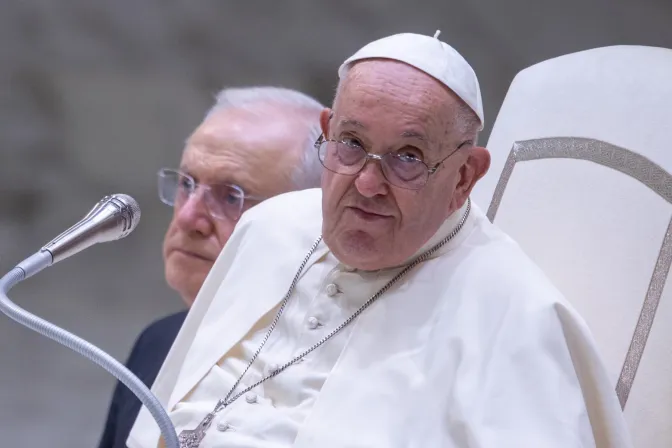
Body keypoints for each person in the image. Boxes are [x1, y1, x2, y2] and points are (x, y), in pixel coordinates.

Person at [128, 32, 633, 448]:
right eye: (351, 144)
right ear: (326, 133)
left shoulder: (517, 313)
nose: (368, 183)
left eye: (407, 156)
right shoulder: (271, 226)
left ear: (464, 177)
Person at [97, 86, 325, 448]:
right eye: (187, 184)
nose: (189, 218)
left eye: (230, 195)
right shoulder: (158, 342)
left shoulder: (331, 365)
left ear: (309, 217)